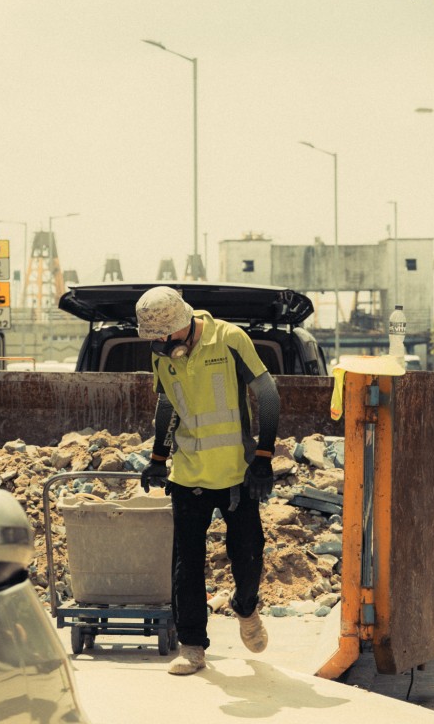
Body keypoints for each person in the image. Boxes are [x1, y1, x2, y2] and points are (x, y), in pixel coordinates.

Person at [135, 286, 280, 675]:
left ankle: (246, 608)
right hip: (188, 475)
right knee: (187, 565)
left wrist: (264, 458)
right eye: (154, 341)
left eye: (163, 338)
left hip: (236, 474)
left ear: (180, 325)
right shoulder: (162, 354)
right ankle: (193, 645)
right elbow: (168, 403)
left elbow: (267, 395)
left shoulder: (229, 339)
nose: (160, 346)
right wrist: (158, 458)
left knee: (247, 556)